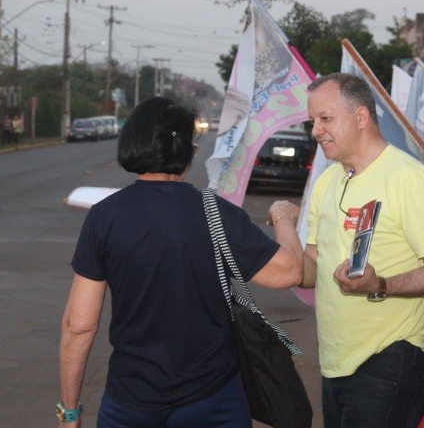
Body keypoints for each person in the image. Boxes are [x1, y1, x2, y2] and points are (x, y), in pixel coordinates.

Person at [57, 97, 305, 428]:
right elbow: (290, 271)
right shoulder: (216, 212)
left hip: (130, 401)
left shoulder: (104, 217)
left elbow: (79, 325)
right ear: (186, 151)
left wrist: (70, 411)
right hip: (212, 398)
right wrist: (283, 217)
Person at [271, 73, 424, 428]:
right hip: (335, 358)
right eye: (313, 121)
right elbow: (312, 269)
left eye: (325, 119)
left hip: (389, 355)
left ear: (361, 117)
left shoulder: (409, 178)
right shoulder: (327, 181)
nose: (315, 131)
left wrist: (380, 285)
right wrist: (284, 240)